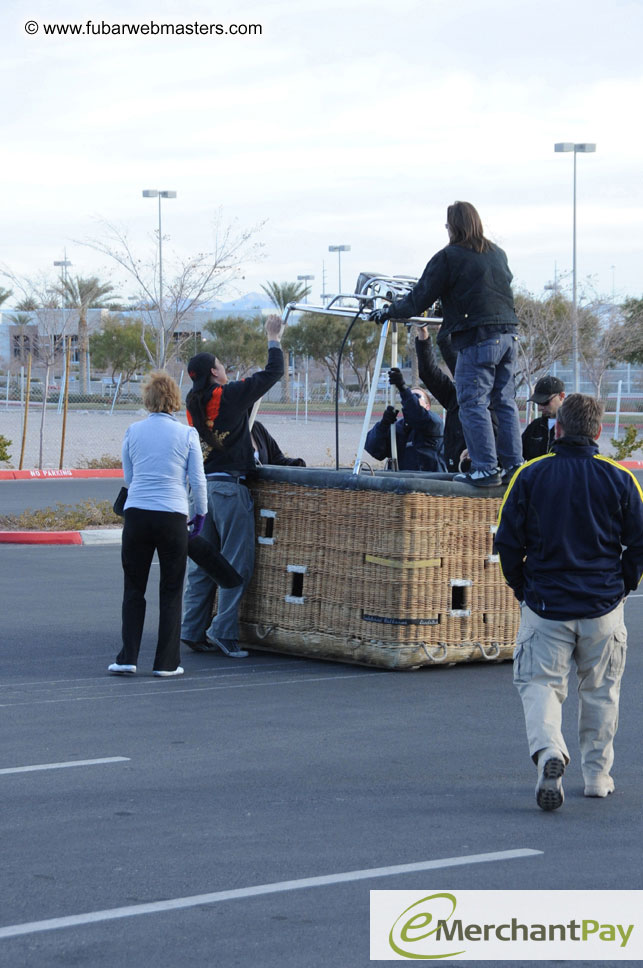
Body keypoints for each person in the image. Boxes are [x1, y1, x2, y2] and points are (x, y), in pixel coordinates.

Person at [495, 393, 643, 811]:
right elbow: (639, 543)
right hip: (603, 605)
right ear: (598, 432)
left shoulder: (530, 475)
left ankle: (549, 753)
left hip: (546, 604)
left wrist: (522, 588)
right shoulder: (620, 478)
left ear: (557, 429)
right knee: (601, 692)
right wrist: (623, 586)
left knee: (539, 684)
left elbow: (507, 541)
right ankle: (597, 776)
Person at [370, 200, 523, 486]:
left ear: (451, 226)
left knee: (472, 403)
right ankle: (514, 464)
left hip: (478, 338)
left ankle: (486, 468)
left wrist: (388, 312)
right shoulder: (497, 254)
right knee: (504, 401)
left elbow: (418, 299)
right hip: (509, 335)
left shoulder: (449, 257)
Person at [181, 315, 284, 659]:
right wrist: (273, 338)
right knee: (236, 564)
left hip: (203, 493)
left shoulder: (192, 403)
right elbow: (273, 374)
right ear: (214, 372)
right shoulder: (228, 396)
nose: (225, 370)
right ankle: (224, 631)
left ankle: (191, 629)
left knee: (203, 567)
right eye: (221, 366)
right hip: (229, 489)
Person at [109, 371, 207, 678]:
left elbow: (129, 477)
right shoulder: (187, 434)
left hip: (137, 514)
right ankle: (166, 662)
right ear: (175, 399)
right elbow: (197, 480)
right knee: (171, 589)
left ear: (148, 398)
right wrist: (200, 513)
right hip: (172, 516)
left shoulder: (133, 430)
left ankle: (128, 657)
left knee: (134, 588)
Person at [365, 367, 446, 471]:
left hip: (428, 482)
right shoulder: (397, 428)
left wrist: (403, 388)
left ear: (427, 406)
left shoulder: (434, 423)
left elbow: (417, 414)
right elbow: (374, 450)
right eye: (410, 396)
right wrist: (383, 424)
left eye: (417, 396)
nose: (412, 398)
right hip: (399, 482)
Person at [522, 375, 565, 460]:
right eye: (537, 403)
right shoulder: (534, 427)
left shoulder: (575, 428)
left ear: (561, 396)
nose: (540, 408)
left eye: (545, 402)